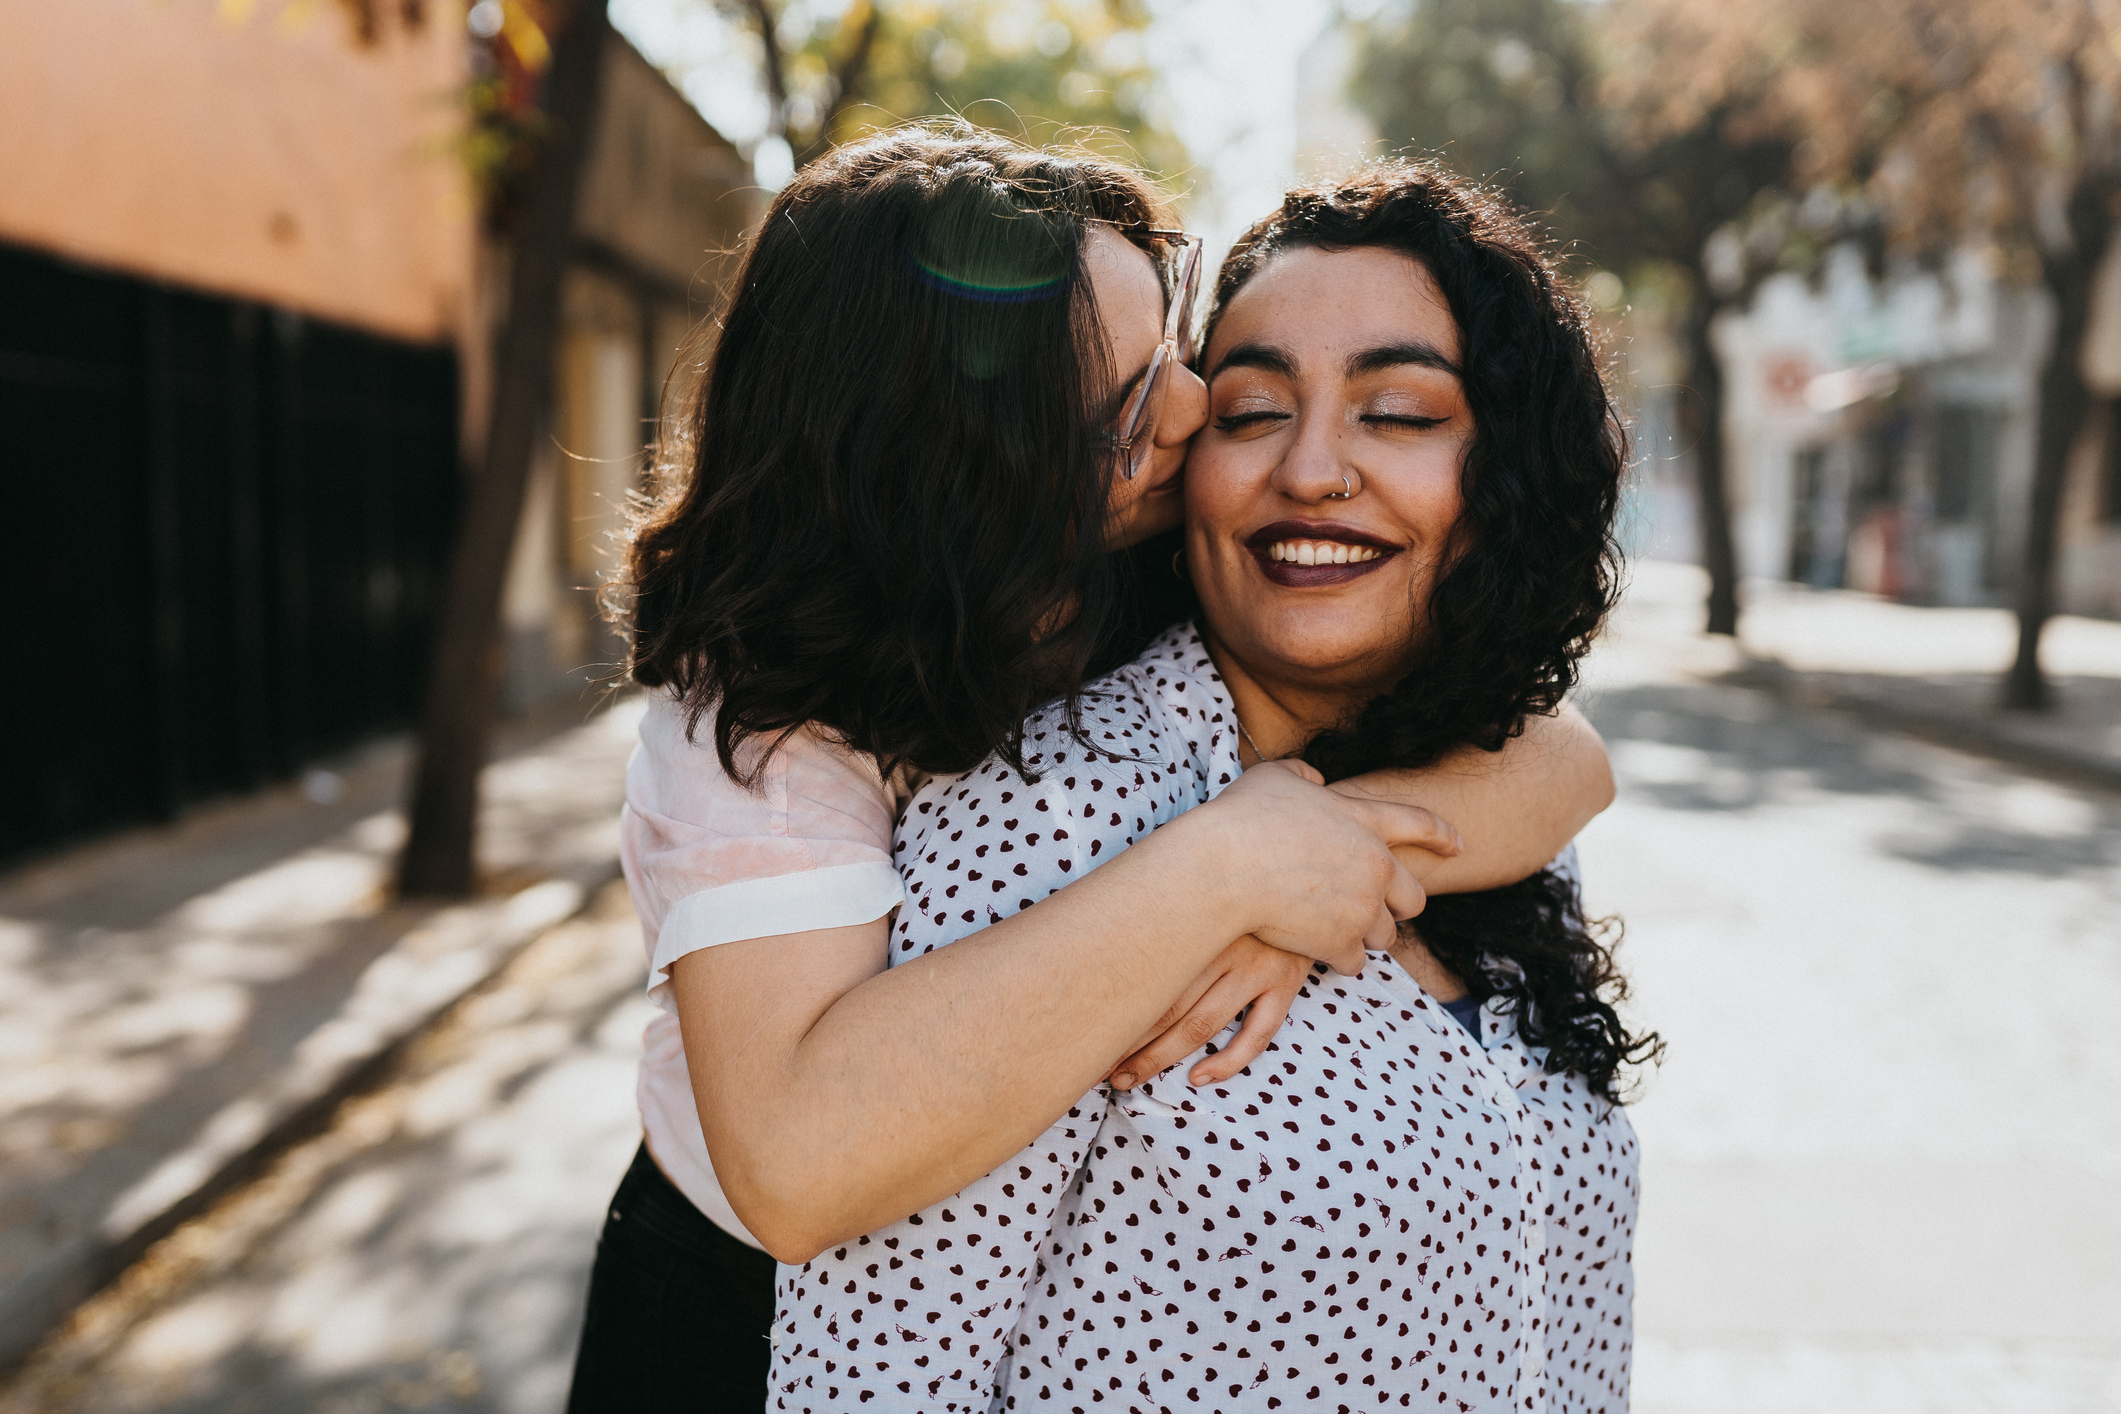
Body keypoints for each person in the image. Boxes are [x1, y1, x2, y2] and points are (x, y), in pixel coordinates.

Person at [567, 130, 1615, 1413]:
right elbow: (798, 1165)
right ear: (976, 482)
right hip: (728, 1303)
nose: (1193, 412)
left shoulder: (1134, 579)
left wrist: (1336, 847)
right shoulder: (770, 737)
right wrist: (1224, 867)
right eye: (1131, 407)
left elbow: (1561, 755)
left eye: (1177, 356)